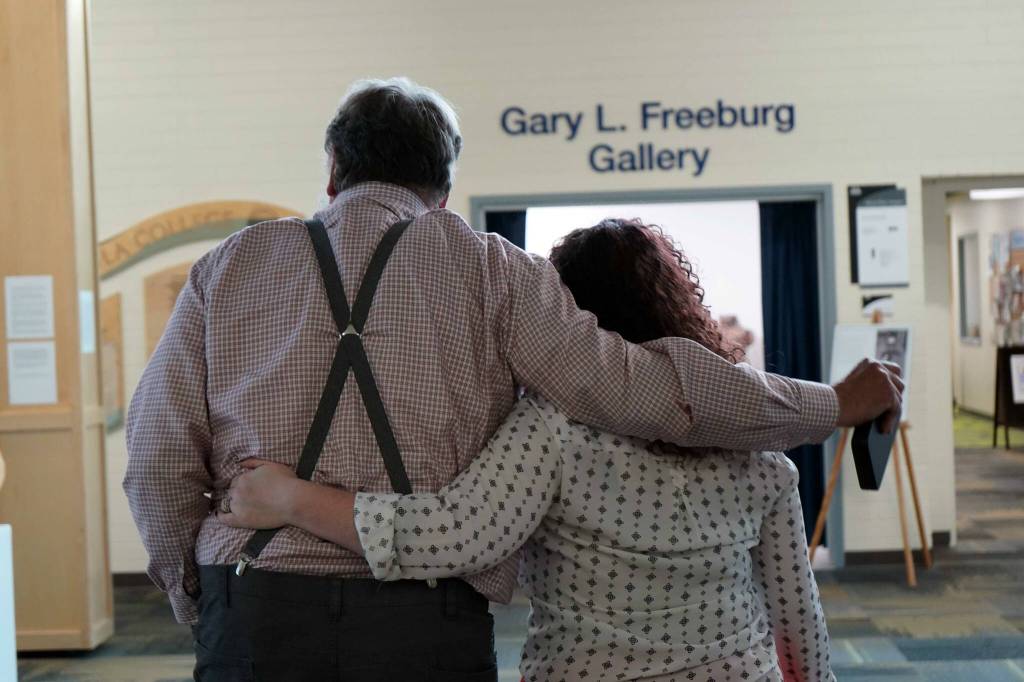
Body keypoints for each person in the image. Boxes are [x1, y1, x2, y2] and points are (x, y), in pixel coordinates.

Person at [124, 77, 901, 680]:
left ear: (332, 172)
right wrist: (831, 405)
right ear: (445, 185)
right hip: (422, 625)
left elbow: (157, 458)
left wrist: (201, 593)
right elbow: (643, 391)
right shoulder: (490, 270)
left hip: (256, 603)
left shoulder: (228, 268)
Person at [222, 219, 839, 681]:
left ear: (569, 318)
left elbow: (454, 535)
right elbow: (797, 615)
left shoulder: (553, 429)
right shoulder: (754, 449)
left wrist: (291, 499)